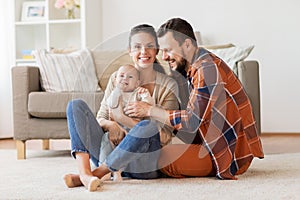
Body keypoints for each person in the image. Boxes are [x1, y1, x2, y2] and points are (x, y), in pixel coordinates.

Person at [124, 18, 264, 180]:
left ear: (188, 45)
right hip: (208, 140)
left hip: (227, 152)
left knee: (162, 158)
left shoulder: (207, 69)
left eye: (168, 50)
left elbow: (191, 120)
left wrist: (149, 110)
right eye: (162, 51)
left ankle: (118, 166)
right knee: (154, 152)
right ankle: (122, 163)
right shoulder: (193, 67)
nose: (164, 56)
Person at [63, 24, 179, 191]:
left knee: (148, 126)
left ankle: (97, 173)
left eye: (149, 46)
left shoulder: (168, 85)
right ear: (129, 50)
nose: (144, 52)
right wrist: (112, 125)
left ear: (157, 50)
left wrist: (127, 119)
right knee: (75, 106)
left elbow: (164, 137)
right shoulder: (117, 78)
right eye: (137, 47)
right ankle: (85, 174)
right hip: (109, 151)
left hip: (143, 164)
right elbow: (100, 118)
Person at [99, 64, 154, 182]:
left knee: (127, 147)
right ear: (115, 80)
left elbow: (149, 106)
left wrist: (146, 95)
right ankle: (102, 167)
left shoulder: (138, 93)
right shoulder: (116, 93)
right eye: (122, 76)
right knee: (105, 140)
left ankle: (118, 171)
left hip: (132, 130)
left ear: (137, 83)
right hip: (116, 129)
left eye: (130, 77)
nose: (125, 79)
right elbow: (111, 104)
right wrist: (117, 90)